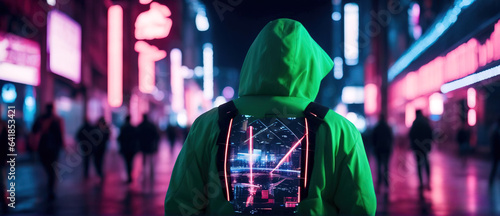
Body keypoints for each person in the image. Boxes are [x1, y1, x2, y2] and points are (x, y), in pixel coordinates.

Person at [165, 19, 376, 215]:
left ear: (254, 61)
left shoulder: (209, 123)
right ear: (310, 69)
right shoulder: (338, 129)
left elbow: (180, 202)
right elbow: (360, 205)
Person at [32, 103, 65, 200]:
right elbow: (59, 135)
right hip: (52, 148)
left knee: (49, 168)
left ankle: (50, 189)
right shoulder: (56, 120)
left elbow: (34, 130)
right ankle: (50, 189)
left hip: (44, 147)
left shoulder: (41, 119)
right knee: (51, 169)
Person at [409, 110, 433, 190]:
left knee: (419, 165)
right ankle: (428, 181)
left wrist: (413, 145)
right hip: (425, 146)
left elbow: (411, 135)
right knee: (426, 163)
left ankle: (421, 182)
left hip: (417, 147)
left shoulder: (415, 122)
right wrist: (429, 144)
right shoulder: (425, 122)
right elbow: (430, 133)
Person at [372, 114, 393, 189]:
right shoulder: (387, 127)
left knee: (379, 165)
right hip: (386, 149)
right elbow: (391, 138)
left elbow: (373, 139)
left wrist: (374, 147)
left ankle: (379, 181)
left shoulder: (376, 127)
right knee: (386, 166)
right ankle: (386, 181)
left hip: (378, 149)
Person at [137, 114, 159, 178]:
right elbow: (156, 135)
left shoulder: (141, 125)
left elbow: (137, 136)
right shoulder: (151, 125)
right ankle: (151, 173)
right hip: (150, 144)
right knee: (151, 159)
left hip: (143, 144)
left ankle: (144, 173)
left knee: (144, 159)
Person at [118, 115, 138, 183]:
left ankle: (129, 175)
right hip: (131, 148)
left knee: (127, 162)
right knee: (130, 162)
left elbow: (120, 138)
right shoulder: (133, 128)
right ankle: (130, 175)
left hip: (125, 148)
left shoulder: (123, 128)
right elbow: (136, 138)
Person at [0, 107, 8, 212]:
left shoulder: (4, 125)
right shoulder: (4, 125)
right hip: (2, 156)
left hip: (1, 157)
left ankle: (4, 199)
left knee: (2, 179)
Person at [489, 117, 500, 185]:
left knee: (495, 166)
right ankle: (491, 179)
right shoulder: (496, 130)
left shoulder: (495, 129)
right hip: (496, 152)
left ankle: (492, 179)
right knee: (495, 166)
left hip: (496, 151)